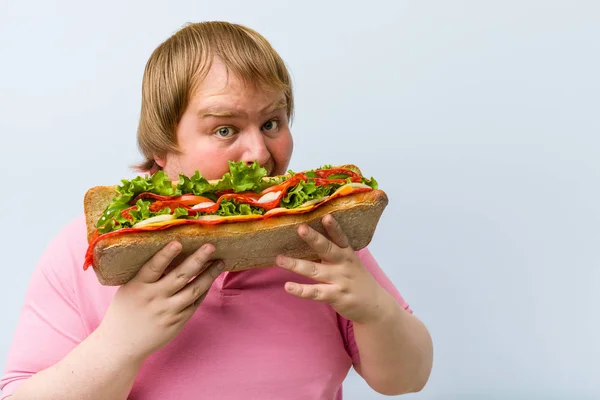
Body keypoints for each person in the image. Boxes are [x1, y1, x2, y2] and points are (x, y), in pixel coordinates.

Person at [0, 21, 433, 399]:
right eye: (224, 129)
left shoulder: (322, 240)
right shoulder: (86, 249)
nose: (258, 153)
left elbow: (407, 380)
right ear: (161, 146)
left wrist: (374, 310)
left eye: (272, 123)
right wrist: (120, 342)